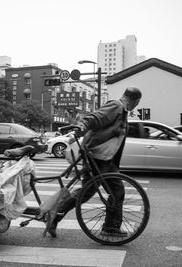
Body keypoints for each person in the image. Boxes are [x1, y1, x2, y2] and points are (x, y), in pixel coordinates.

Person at [49, 86, 142, 238]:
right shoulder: (116, 106)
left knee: (109, 192)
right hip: (97, 158)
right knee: (94, 192)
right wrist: (80, 128)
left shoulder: (121, 111)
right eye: (137, 103)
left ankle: (110, 227)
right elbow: (93, 118)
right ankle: (56, 214)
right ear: (136, 101)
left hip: (105, 159)